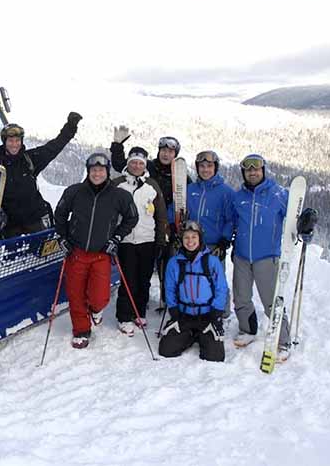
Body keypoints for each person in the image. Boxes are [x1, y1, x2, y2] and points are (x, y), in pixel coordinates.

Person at [54, 153, 139, 349]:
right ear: (88, 171)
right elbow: (59, 216)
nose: (97, 173)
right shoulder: (74, 192)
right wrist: (63, 239)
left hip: (101, 253)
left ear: (107, 172)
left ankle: (95, 309)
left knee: (99, 297)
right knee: (75, 294)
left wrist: (116, 238)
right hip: (77, 251)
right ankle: (81, 330)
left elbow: (131, 218)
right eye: (93, 170)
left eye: (101, 170)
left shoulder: (120, 195)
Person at [230, 153, 292, 362]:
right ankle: (248, 330)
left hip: (266, 257)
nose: (253, 173)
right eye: (248, 170)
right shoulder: (238, 197)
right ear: (244, 173)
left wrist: (306, 223)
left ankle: (283, 341)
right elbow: (231, 222)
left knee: (271, 302)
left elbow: (296, 218)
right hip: (241, 256)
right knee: (241, 298)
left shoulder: (279, 194)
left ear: (263, 170)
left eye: (256, 169)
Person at [0, 112, 82, 238]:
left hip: (35, 222)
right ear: (4, 142)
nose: (14, 144)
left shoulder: (30, 159)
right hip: (11, 226)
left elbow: (53, 147)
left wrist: (70, 127)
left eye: (17, 140)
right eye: (10, 141)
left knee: (43, 256)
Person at [113, 146, 169, 336]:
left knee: (144, 279)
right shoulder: (118, 184)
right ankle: (124, 316)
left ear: (145, 165)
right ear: (128, 163)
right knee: (128, 279)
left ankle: (139, 311)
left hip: (148, 239)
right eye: (133, 162)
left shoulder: (151, 185)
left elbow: (160, 215)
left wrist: (161, 239)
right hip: (126, 240)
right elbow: (109, 213)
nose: (136, 166)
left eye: (140, 163)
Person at [159, 221, 228, 362]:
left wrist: (217, 311)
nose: (190, 241)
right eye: (186, 237)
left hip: (207, 316)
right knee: (166, 350)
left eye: (194, 237)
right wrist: (173, 309)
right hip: (184, 316)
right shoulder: (174, 262)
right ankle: (191, 334)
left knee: (214, 356)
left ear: (200, 238)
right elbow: (170, 288)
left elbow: (221, 288)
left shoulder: (212, 262)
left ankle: (203, 335)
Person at [187, 150, 236, 316]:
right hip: (192, 243)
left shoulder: (226, 192)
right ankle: (197, 306)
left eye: (209, 166)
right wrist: (174, 227)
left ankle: (222, 311)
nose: (205, 169)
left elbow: (231, 219)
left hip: (214, 244)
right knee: (194, 277)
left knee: (217, 278)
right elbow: (177, 210)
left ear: (215, 168)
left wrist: (225, 240)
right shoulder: (190, 189)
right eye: (202, 166)